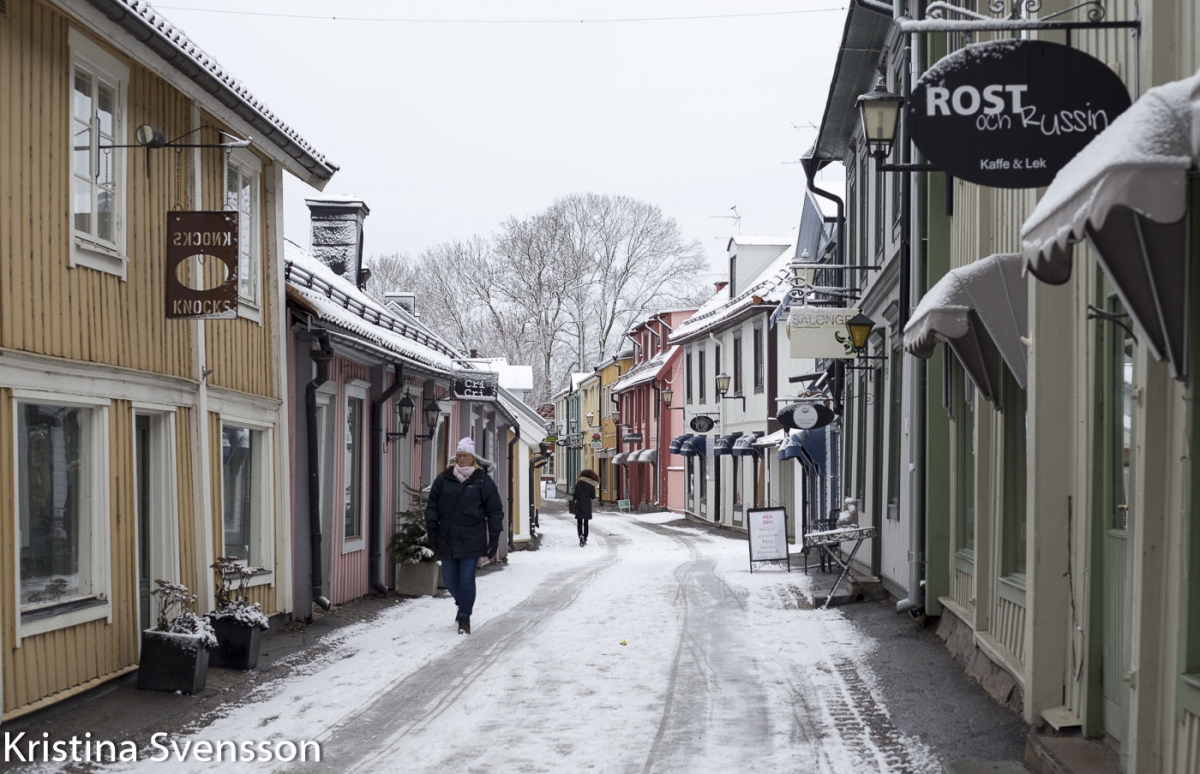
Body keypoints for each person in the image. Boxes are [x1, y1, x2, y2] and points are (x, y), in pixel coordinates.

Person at [424, 438, 504, 635]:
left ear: (473, 458)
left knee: (467, 577)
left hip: (472, 536)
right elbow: (432, 505)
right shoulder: (444, 479)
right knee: (450, 579)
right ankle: (462, 604)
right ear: (455, 457)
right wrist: (432, 529)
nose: (462, 459)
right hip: (448, 536)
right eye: (459, 455)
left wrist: (494, 537)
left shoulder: (482, 480)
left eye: (466, 455)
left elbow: (494, 510)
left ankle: (464, 616)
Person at [573, 469, 600, 547]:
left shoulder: (578, 483)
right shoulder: (591, 485)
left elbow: (575, 495)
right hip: (587, 505)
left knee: (579, 522)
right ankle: (585, 537)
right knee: (586, 523)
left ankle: (580, 536)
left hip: (579, 504)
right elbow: (593, 496)